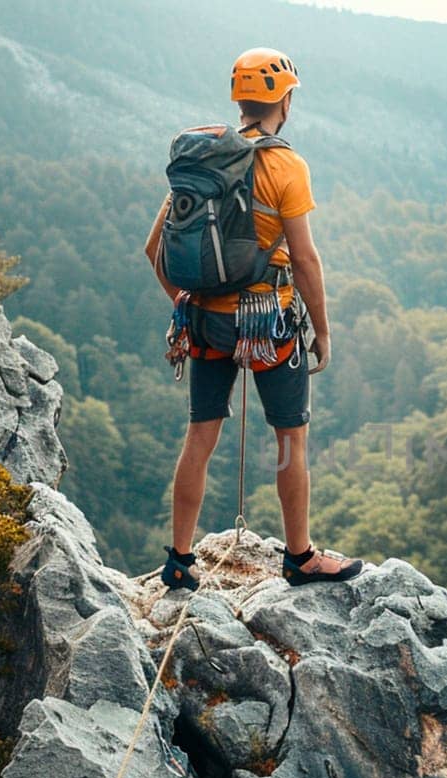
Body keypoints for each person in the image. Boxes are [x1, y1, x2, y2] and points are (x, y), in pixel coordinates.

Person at [144, 47, 363, 589]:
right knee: (290, 439)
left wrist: (185, 301)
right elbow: (306, 258)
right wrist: (324, 329)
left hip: (204, 322)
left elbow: (154, 250)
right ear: (283, 101)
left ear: (241, 101)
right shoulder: (286, 165)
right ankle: (300, 557)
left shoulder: (202, 161)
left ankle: (179, 559)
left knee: (200, 436)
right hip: (269, 324)